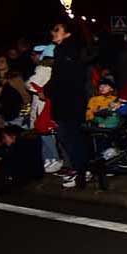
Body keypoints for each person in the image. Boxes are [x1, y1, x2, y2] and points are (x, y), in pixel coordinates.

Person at [49, 20, 92, 189]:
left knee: (71, 137)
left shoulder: (67, 51)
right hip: (69, 101)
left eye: (57, 29)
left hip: (69, 102)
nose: (53, 32)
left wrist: (48, 89)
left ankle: (81, 170)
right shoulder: (66, 50)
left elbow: (62, 78)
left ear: (67, 33)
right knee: (70, 136)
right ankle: (81, 169)